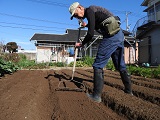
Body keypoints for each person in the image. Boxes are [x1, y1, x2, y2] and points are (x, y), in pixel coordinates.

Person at [69, 2, 133, 103]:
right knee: (120, 65)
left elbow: (90, 34)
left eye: (76, 14)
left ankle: (96, 96)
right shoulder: (93, 11)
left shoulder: (89, 10)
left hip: (111, 37)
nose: (77, 17)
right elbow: (95, 24)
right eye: (75, 17)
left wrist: (81, 44)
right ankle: (129, 91)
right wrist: (86, 25)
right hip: (119, 35)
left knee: (98, 65)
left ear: (80, 8)